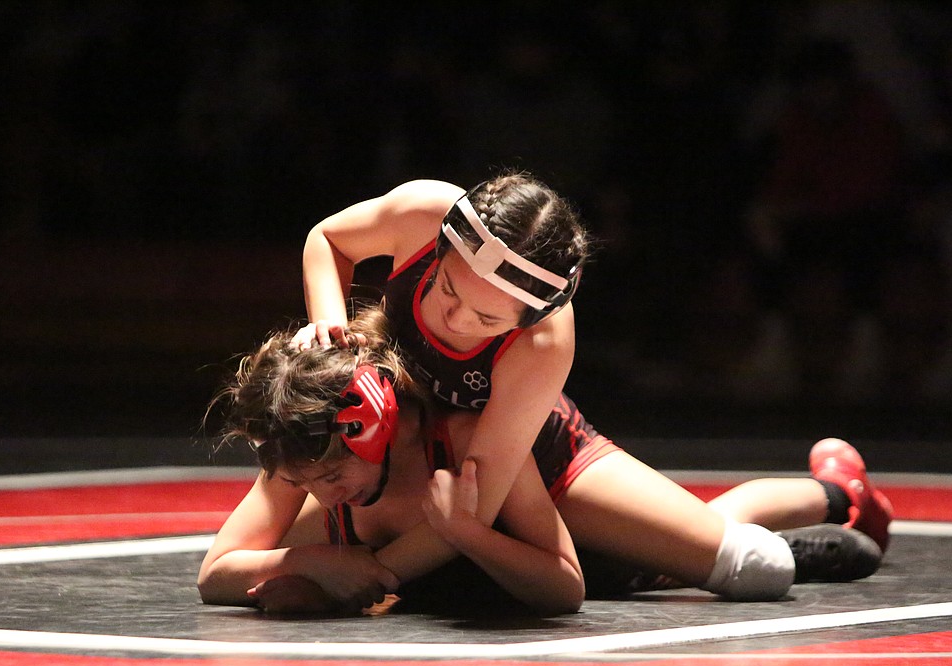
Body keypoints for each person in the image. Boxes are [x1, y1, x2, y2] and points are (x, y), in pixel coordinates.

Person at [286, 172, 892, 587]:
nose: (455, 319)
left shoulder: (546, 342)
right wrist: (330, 326)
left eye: (487, 318)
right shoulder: (421, 211)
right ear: (440, 247)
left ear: (528, 318)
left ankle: (843, 497)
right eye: (446, 288)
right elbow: (328, 240)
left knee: (735, 561)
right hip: (411, 440)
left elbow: (483, 495)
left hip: (529, 453)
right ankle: (648, 561)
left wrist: (372, 579)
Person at [199, 308, 889, 616]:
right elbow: (215, 574)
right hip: (499, 547)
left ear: (371, 421)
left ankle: (841, 496)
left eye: (324, 479)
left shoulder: (467, 438)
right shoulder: (304, 451)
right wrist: (310, 564)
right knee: (652, 558)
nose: (319, 498)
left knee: (740, 565)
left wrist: (463, 531)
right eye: (298, 483)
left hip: (549, 467)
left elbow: (565, 589)